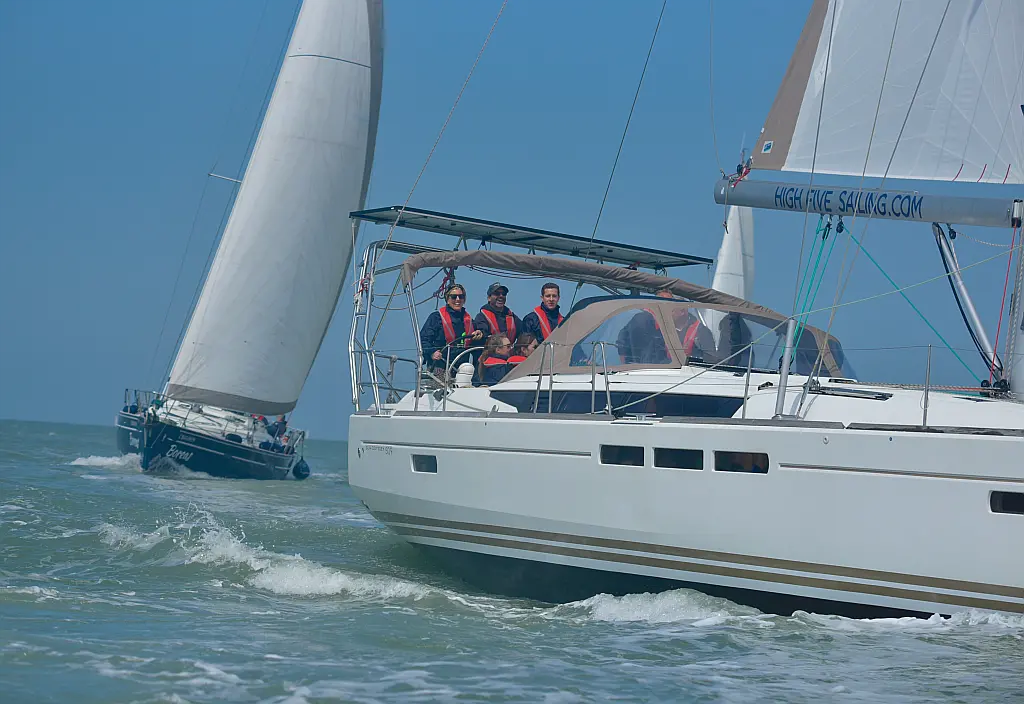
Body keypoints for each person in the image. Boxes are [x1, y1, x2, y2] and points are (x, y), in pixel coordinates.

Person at [419, 283, 484, 370]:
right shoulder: (436, 318)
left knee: (468, 371)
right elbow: (424, 339)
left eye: (461, 296)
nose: (458, 299)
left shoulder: (469, 321)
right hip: (440, 365)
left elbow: (476, 343)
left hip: (462, 367)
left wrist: (479, 333)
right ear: (447, 299)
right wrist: (432, 352)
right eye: (454, 297)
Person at [615, 289, 673, 364]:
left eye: (669, 302)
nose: (666, 304)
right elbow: (622, 341)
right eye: (662, 301)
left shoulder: (666, 323)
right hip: (644, 366)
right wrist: (626, 365)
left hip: (660, 365)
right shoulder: (642, 319)